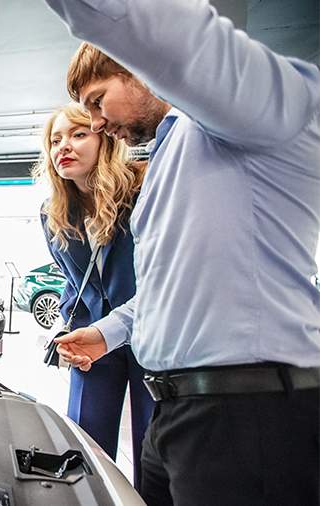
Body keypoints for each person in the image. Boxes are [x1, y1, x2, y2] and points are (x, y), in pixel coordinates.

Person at [41, 1, 320, 504]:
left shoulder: (251, 115)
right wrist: (107, 333)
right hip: (176, 412)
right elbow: (168, 290)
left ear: (139, 66)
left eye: (98, 102)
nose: (97, 124)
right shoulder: (170, 156)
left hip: (246, 411)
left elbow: (167, 33)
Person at [34, 103, 153, 489]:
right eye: (55, 140)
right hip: (91, 338)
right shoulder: (52, 212)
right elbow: (72, 279)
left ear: (106, 139)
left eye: (78, 134)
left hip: (149, 330)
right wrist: (65, 322)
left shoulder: (142, 191)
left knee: (153, 447)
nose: (63, 146)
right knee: (85, 444)